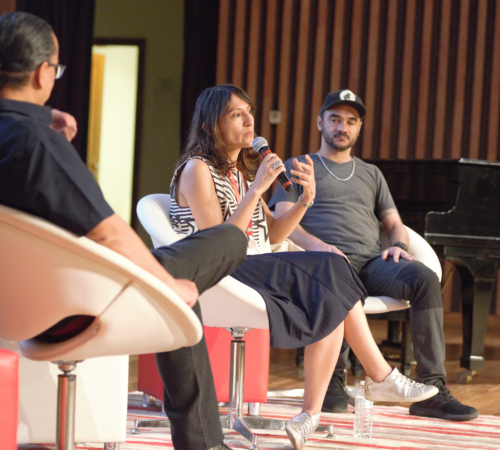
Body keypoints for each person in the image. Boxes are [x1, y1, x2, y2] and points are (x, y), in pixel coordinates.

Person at [0, 12, 248, 450]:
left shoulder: (26, 133)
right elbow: (111, 234)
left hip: (12, 298)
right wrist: (167, 285)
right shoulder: (40, 147)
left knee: (186, 276)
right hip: (69, 303)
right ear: (42, 73)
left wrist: (40, 116)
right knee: (223, 244)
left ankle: (203, 443)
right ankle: (204, 444)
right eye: (55, 70)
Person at [170, 83, 438, 450]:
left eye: (250, 111)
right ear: (209, 125)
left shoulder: (239, 172)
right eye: (237, 114)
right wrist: (257, 188)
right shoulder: (197, 169)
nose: (250, 120)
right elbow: (218, 241)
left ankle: (309, 416)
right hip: (221, 272)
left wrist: (305, 201)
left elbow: (273, 232)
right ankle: (380, 374)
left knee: (329, 294)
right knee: (331, 269)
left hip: (255, 265)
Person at [269, 88, 479, 422]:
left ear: (359, 128)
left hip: (371, 263)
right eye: (335, 119)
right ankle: (334, 380)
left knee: (424, 277)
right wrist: (317, 246)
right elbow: (282, 220)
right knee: (334, 272)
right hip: (323, 264)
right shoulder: (299, 166)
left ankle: (433, 390)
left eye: (351, 121)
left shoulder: (371, 174)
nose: (343, 126)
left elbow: (394, 223)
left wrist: (399, 245)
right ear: (320, 122)